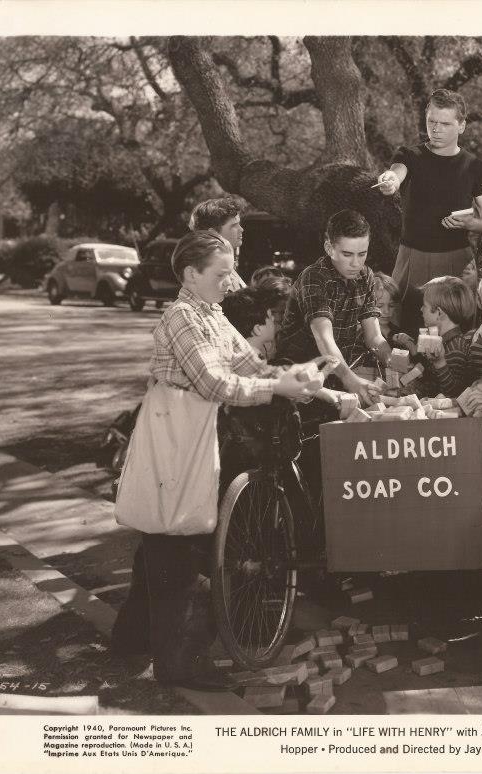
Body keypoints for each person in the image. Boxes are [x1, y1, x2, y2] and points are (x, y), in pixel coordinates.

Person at [110, 230, 321, 691]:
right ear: (191, 274)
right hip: (175, 431)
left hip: (189, 430)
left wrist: (313, 385)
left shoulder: (212, 314)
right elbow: (215, 384)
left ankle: (131, 637)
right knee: (180, 543)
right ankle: (179, 664)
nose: (231, 283)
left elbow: (251, 366)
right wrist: (278, 388)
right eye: (221, 274)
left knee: (163, 537)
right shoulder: (182, 317)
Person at [376, 88, 482, 334]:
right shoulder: (409, 155)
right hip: (412, 257)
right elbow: (396, 173)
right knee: (406, 327)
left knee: (456, 331)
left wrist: (470, 224)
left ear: (461, 126)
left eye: (445, 123)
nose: (436, 129)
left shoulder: (474, 166)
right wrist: (390, 180)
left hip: (456, 260)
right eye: (431, 121)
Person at [276, 209, 391, 405]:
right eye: (347, 254)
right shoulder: (314, 278)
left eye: (362, 254)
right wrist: (351, 381)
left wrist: (397, 366)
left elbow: (373, 337)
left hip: (335, 375)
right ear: (329, 248)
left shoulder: (366, 276)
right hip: (298, 379)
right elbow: (324, 339)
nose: (356, 263)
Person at [394, 276, 476, 398]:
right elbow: (429, 377)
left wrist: (440, 363)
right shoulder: (442, 341)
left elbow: (454, 393)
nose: (421, 309)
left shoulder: (456, 347)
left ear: (439, 312)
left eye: (424, 306)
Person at [189, 197, 247, 291]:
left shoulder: (224, 267)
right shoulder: (214, 273)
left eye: (239, 224)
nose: (241, 229)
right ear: (213, 234)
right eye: (234, 225)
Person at [372, 271, 402, 342]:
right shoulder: (359, 333)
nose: (387, 311)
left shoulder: (396, 332)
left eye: (391, 305)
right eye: (379, 306)